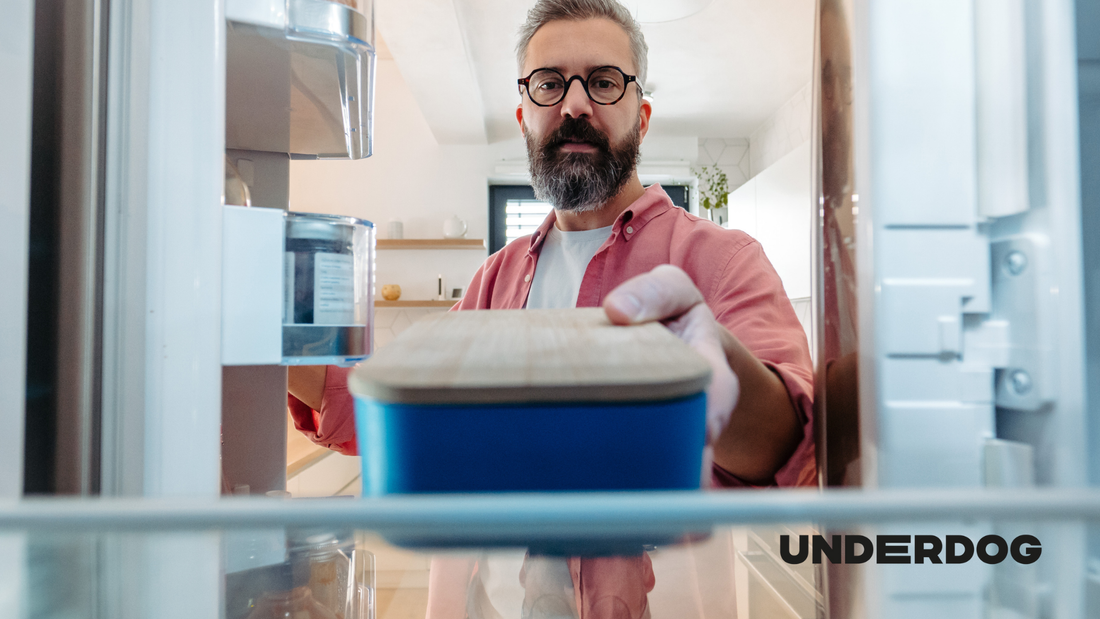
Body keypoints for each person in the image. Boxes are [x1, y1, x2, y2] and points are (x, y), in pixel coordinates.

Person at [287, 0, 814, 615]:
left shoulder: (722, 260)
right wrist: (257, 338)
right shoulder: (496, 279)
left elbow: (795, 452)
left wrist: (712, 365)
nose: (575, 104)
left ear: (642, 117)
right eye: (549, 84)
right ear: (524, 118)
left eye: (604, 81)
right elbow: (389, 414)